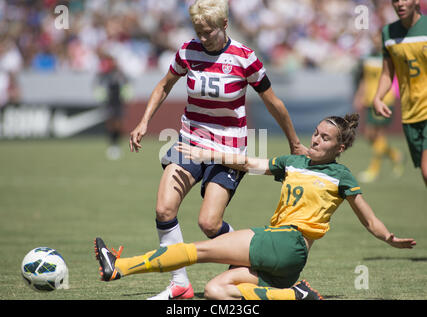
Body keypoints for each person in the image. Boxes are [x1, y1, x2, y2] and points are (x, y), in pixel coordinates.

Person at [95, 113, 416, 300]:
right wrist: (208, 155)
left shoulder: (342, 175)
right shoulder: (293, 162)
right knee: (216, 290)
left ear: (341, 147)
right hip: (289, 263)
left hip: (287, 242)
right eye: (316, 134)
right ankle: (292, 296)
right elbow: (248, 161)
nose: (316, 140)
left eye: (326, 139)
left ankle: (120, 267)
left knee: (200, 250)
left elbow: (369, 219)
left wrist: (388, 238)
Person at [128, 0, 305, 300]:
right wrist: (144, 121)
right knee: (163, 208)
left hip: (229, 150)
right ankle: (179, 284)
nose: (203, 37)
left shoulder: (245, 58)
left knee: (208, 224)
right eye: (198, 31)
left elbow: (273, 102)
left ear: (224, 26)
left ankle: (245, 257)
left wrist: (294, 142)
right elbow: (163, 85)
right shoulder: (187, 51)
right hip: (190, 140)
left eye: (208, 32)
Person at [373, 0, 427, 186]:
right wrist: (378, 97)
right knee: (424, 171)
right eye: (395, 0)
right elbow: (388, 73)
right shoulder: (388, 33)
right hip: (411, 113)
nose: (400, 4)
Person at [352, 33, 403, 183]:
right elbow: (364, 79)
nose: (376, 43)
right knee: (369, 135)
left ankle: (374, 170)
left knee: (379, 135)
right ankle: (395, 155)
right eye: (374, 40)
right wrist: (359, 95)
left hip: (384, 100)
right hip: (369, 100)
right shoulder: (368, 58)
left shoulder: (390, 57)